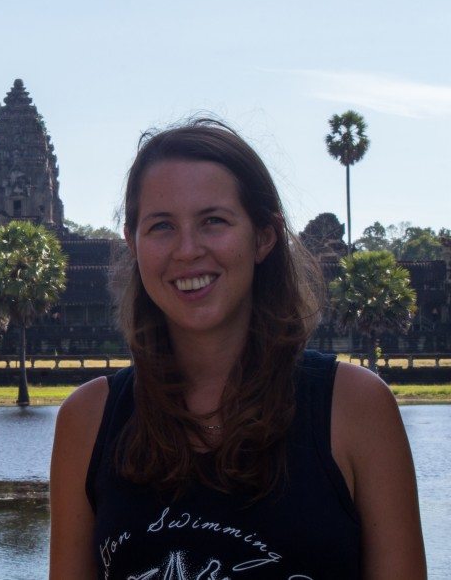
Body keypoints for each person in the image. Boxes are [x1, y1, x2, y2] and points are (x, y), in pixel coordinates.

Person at [49, 120, 425, 578]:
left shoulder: (355, 408)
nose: (187, 250)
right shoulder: (87, 421)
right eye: (161, 226)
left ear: (264, 237)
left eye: (214, 221)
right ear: (134, 243)